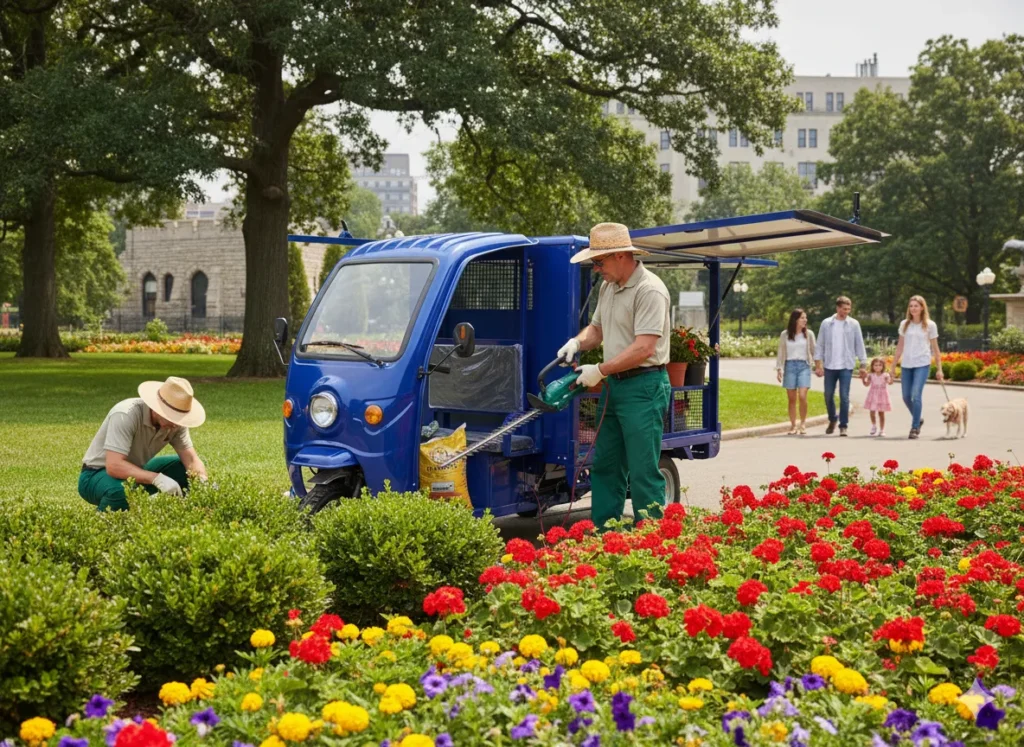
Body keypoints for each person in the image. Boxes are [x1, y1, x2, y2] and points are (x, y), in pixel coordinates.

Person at [556, 222, 671, 530]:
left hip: (644, 387)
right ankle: (606, 536)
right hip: (614, 388)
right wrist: (577, 343)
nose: (596, 269)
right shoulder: (609, 287)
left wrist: (600, 370)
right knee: (606, 465)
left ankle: (652, 543)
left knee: (642, 469)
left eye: (599, 261)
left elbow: (644, 348)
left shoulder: (650, 290)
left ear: (621, 255)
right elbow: (597, 330)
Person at [79, 376, 208, 511]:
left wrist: (203, 481)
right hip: (96, 474)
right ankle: (103, 520)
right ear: (158, 407)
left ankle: (181, 513)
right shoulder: (126, 414)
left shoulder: (176, 424)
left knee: (188, 470)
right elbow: (114, 466)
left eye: (179, 417)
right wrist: (157, 479)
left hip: (137, 469)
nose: (176, 423)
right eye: (172, 416)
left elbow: (191, 460)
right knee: (122, 492)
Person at [889, 295, 943, 439]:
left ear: (922, 307)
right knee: (906, 397)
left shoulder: (930, 325)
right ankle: (918, 417)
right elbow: (899, 346)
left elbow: (935, 348)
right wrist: (893, 366)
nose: (913, 308)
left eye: (916, 306)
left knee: (915, 395)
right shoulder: (904, 324)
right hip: (907, 364)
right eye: (911, 306)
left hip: (922, 364)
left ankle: (914, 428)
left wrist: (939, 369)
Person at [814, 296, 868, 436]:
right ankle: (833, 419)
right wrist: (818, 365)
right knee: (828, 395)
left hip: (846, 365)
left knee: (844, 396)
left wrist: (863, 364)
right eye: (844, 309)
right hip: (830, 365)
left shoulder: (854, 324)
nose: (847, 312)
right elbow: (820, 344)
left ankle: (843, 425)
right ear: (837, 308)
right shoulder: (826, 323)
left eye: (849, 309)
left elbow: (859, 344)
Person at [774, 308, 816, 435]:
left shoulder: (809, 334)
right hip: (790, 366)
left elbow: (815, 351)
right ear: (795, 319)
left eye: (805, 317)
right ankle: (793, 425)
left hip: (804, 366)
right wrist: (779, 368)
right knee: (791, 399)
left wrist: (819, 365)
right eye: (802, 317)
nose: (805, 320)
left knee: (802, 396)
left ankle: (803, 424)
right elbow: (781, 352)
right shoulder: (785, 335)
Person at [862, 357, 893, 436]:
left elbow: (890, 383)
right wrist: (863, 378)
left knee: (881, 413)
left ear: (883, 366)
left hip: (882, 396)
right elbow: (866, 384)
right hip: (873, 395)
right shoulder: (871, 375)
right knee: (872, 412)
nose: (877, 367)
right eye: (875, 365)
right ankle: (873, 425)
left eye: (880, 365)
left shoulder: (885, 375)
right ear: (872, 366)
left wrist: (892, 377)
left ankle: (882, 430)